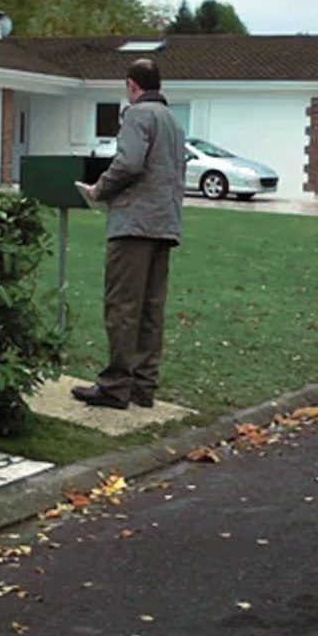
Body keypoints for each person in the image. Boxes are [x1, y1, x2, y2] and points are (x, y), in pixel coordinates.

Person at [72, 58, 186, 410]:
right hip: (165, 224)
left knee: (122, 305)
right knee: (151, 307)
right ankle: (143, 385)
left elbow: (130, 163)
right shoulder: (173, 122)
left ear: (132, 85)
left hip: (133, 225)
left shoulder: (138, 115)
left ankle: (116, 385)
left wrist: (99, 189)